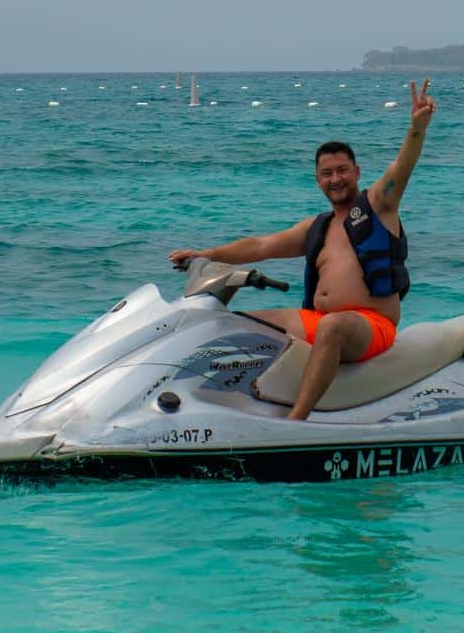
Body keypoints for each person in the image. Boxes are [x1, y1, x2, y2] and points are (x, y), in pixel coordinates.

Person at [169, 79, 436, 420]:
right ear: (317, 180)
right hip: (317, 320)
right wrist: (206, 254)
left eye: (342, 171)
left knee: (333, 326)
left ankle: (295, 421)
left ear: (357, 172)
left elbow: (402, 168)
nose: (335, 179)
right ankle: (219, 407)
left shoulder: (378, 208)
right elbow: (261, 245)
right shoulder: (317, 228)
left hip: (371, 326)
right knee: (231, 324)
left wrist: (417, 129)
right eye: (327, 173)